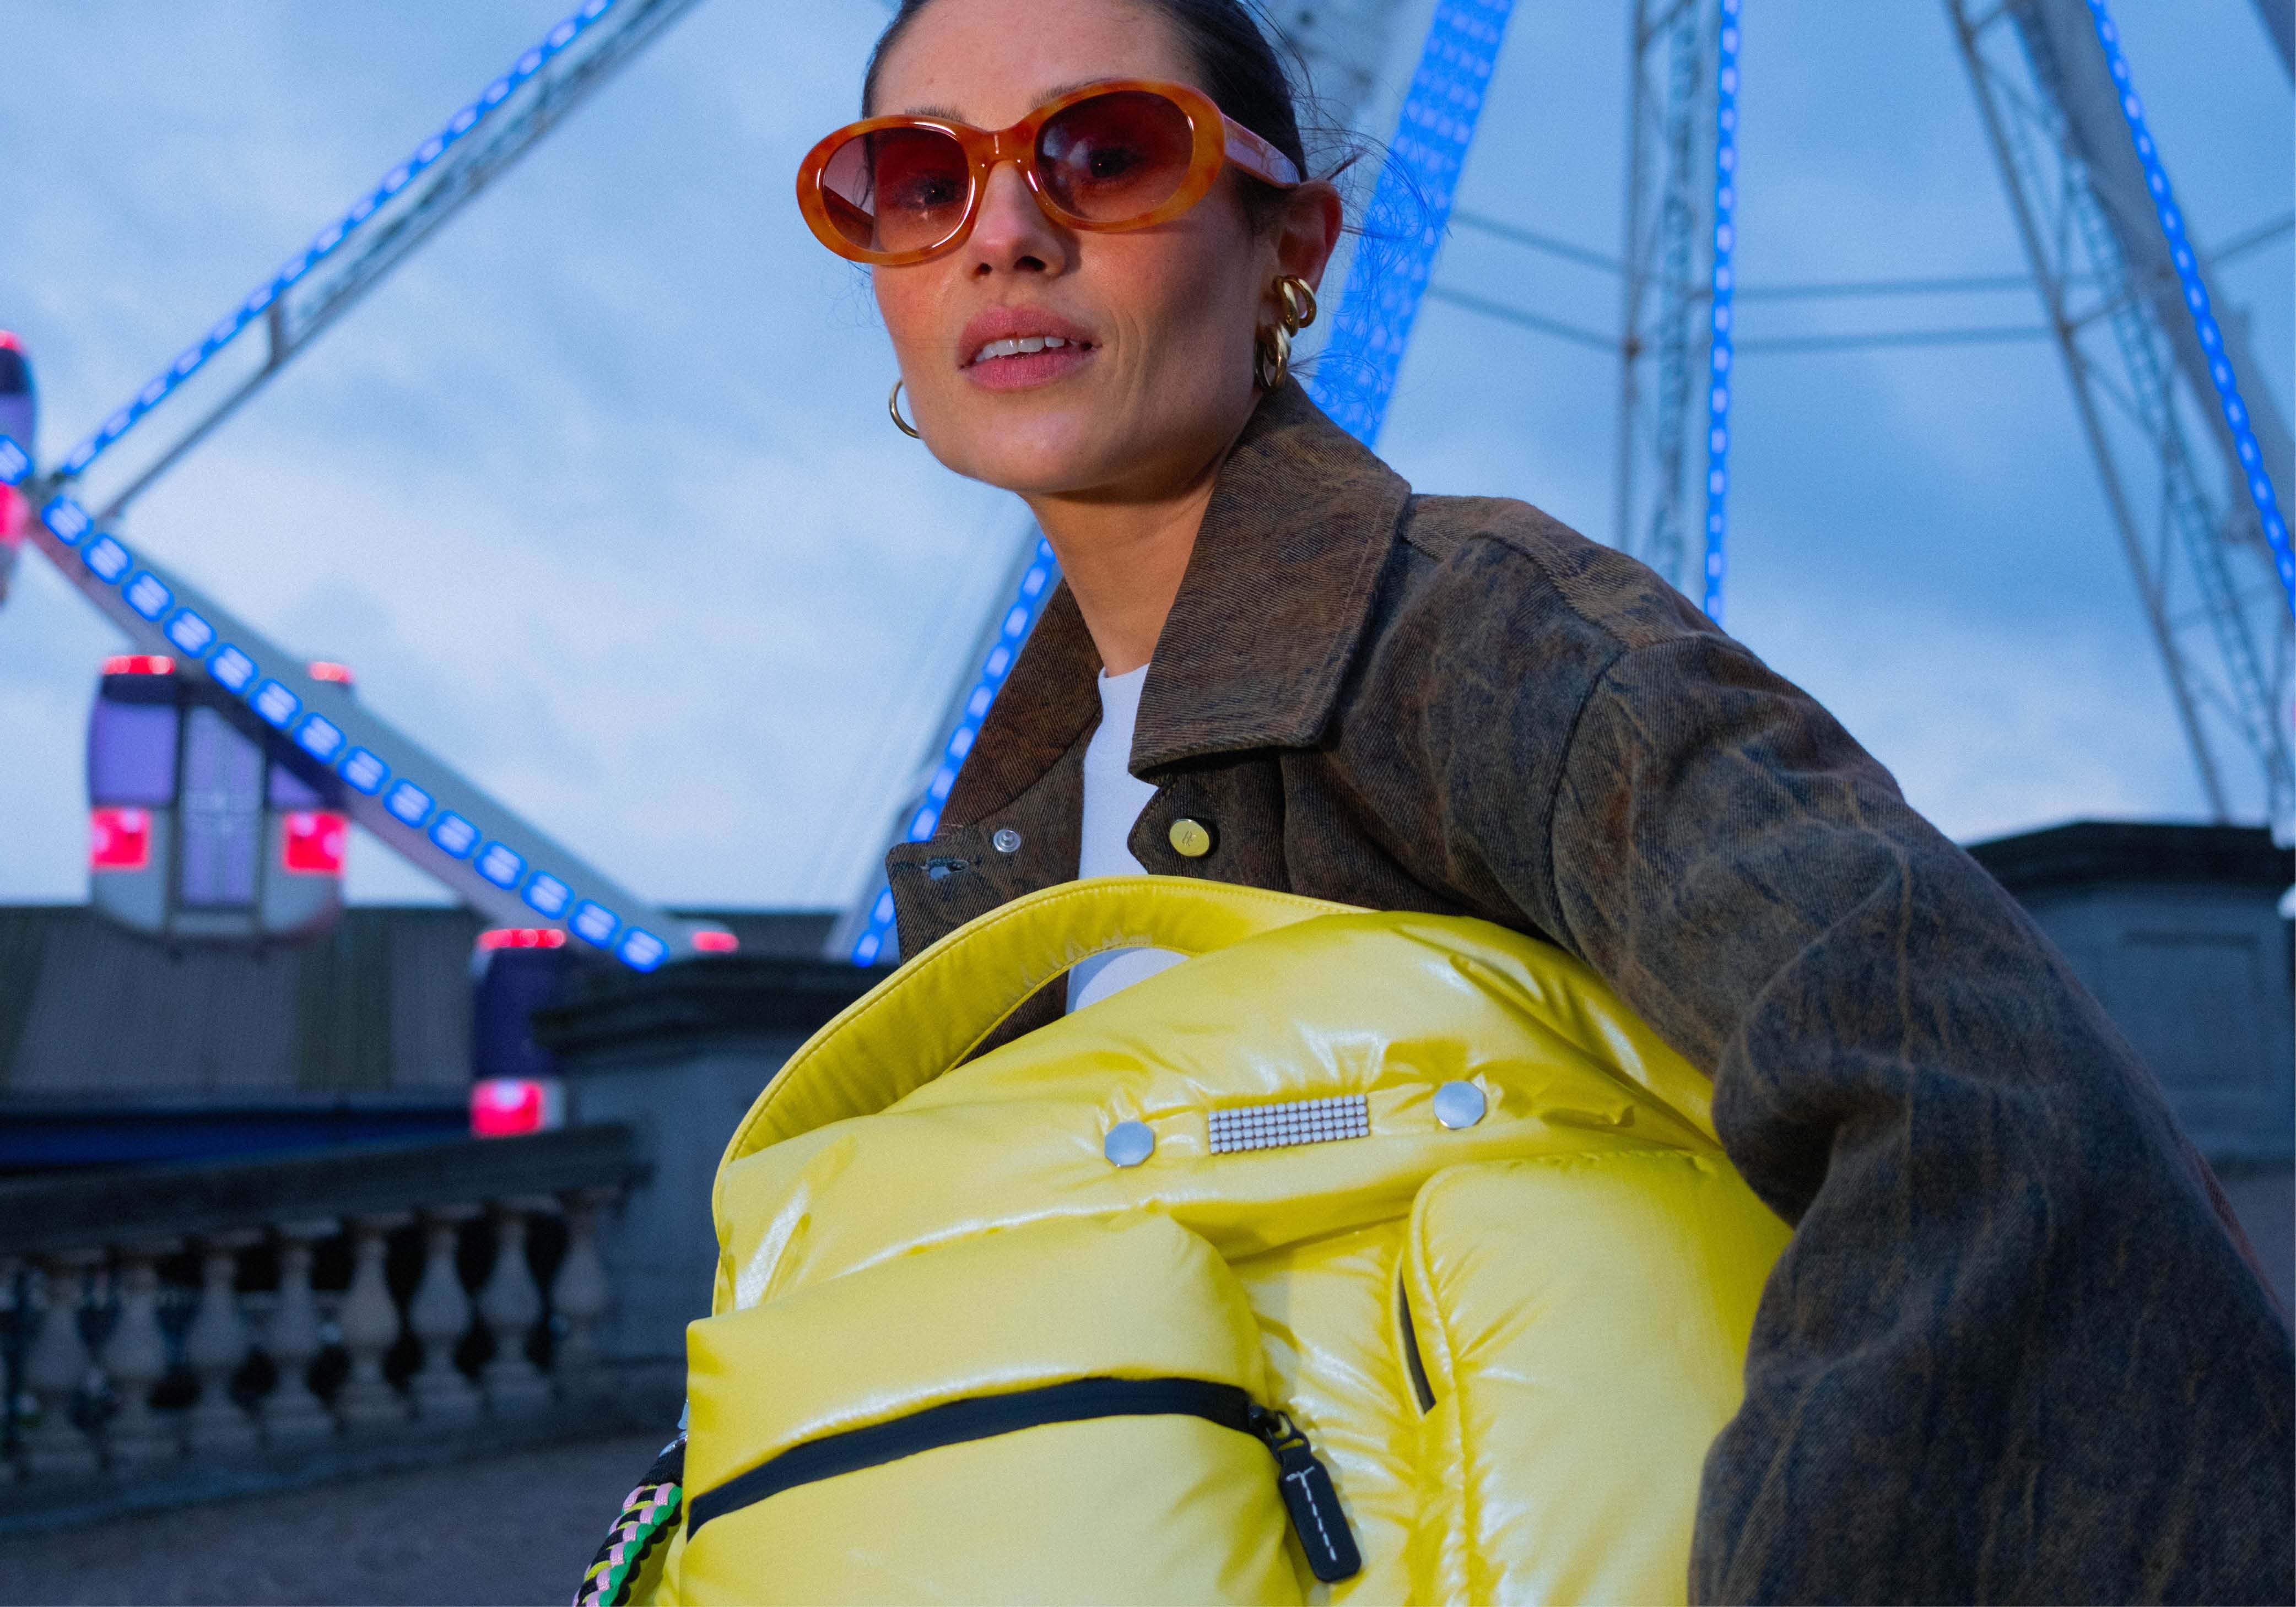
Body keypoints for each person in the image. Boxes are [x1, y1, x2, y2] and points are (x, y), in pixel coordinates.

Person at [685, 0, 2296, 1599]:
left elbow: (1985, 1110)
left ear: (1291, 247)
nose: (1004, 235)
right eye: (916, 181)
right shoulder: (1008, 830)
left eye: (1105, 155)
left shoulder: (1486, 642)